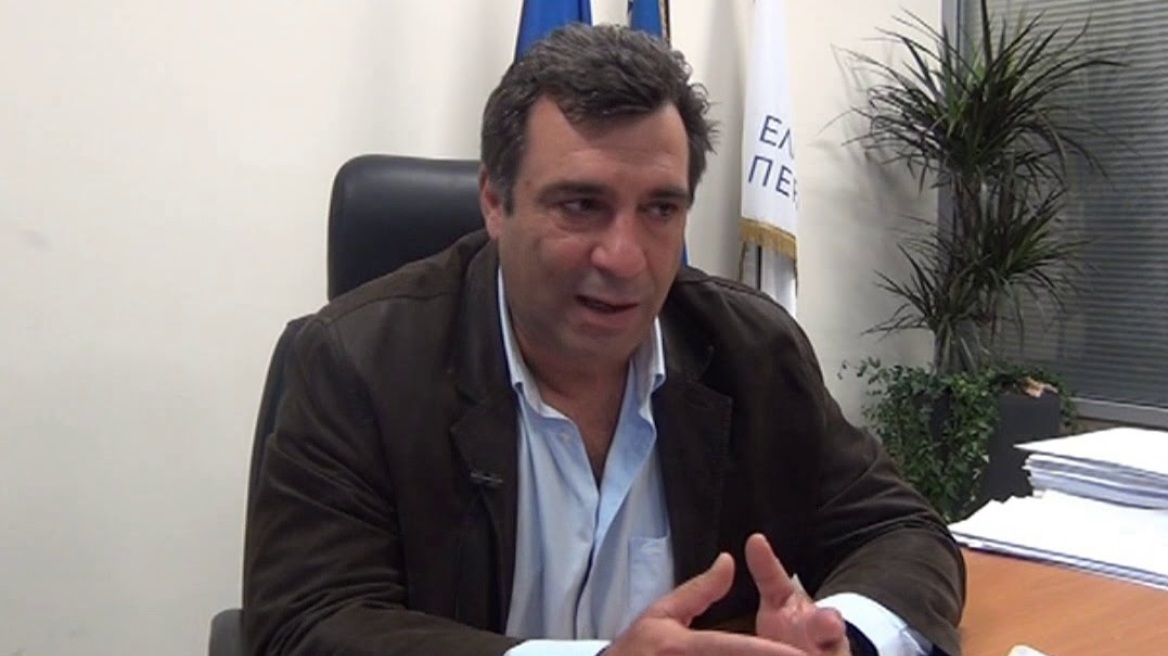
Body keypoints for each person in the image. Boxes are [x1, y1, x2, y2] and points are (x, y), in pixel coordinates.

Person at [243, 24, 964, 656]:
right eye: (582, 205)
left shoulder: (752, 350)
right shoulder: (355, 364)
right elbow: (306, 626)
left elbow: (900, 529)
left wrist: (842, 633)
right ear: (495, 201)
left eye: (660, 209)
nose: (624, 258)